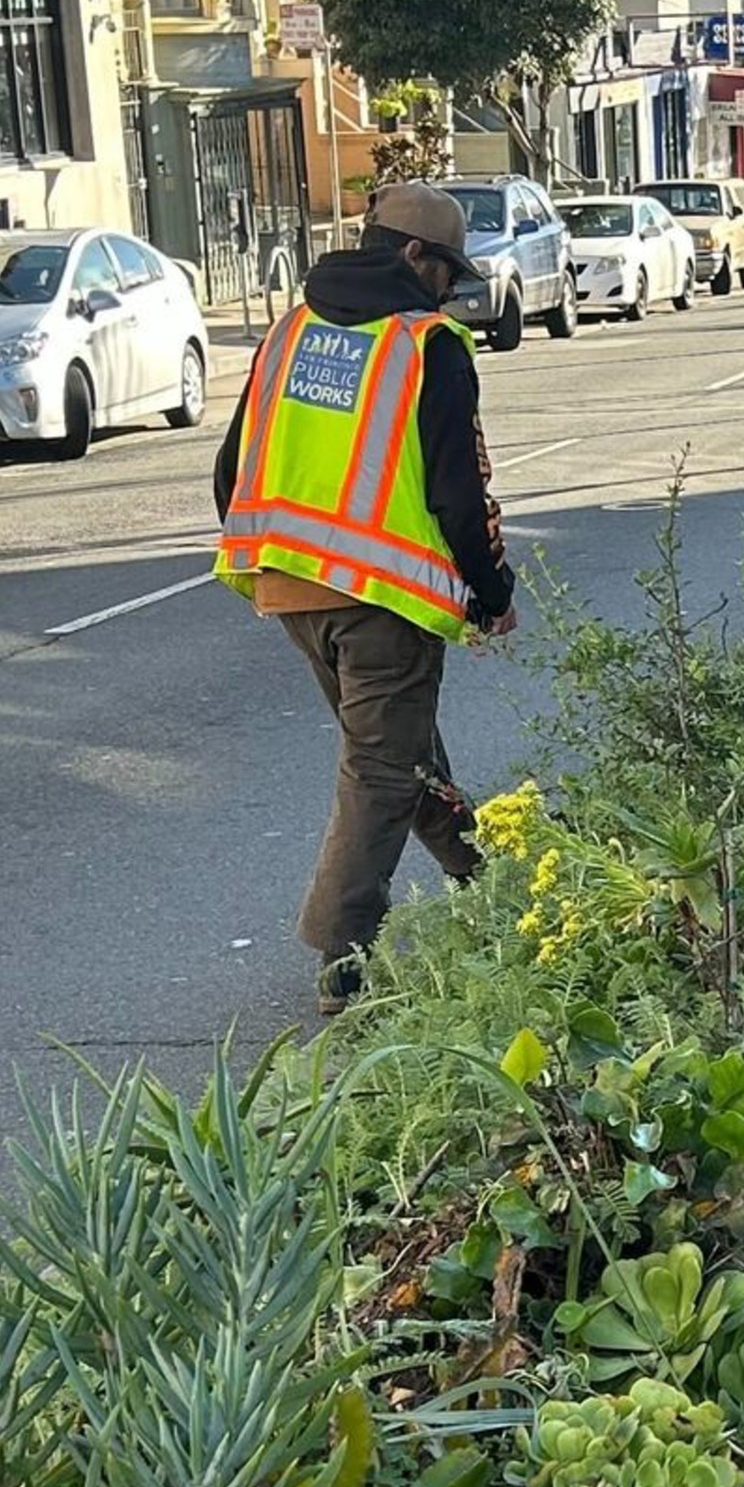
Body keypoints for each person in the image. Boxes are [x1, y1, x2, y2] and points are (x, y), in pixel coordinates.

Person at [212, 178, 517, 1008]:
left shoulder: (290, 329)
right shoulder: (428, 345)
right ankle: (340, 955)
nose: (451, 290)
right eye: (447, 271)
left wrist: (277, 559)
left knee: (399, 751)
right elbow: (458, 496)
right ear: (414, 254)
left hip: (289, 585)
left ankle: (485, 876)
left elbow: (230, 467)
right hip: (382, 595)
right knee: (381, 768)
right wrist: (491, 593)